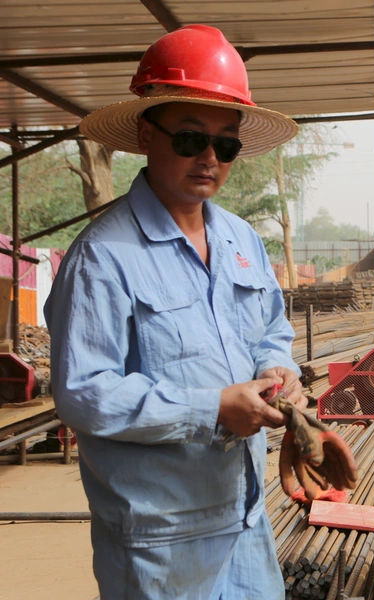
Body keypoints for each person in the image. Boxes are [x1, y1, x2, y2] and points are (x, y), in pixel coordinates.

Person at [45, 25, 304, 599]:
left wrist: (279, 372)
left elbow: (270, 329)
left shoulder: (242, 241)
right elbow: (84, 393)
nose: (209, 158)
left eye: (226, 144)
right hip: (159, 542)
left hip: (245, 520)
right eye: (190, 139)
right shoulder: (103, 258)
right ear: (146, 134)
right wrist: (210, 409)